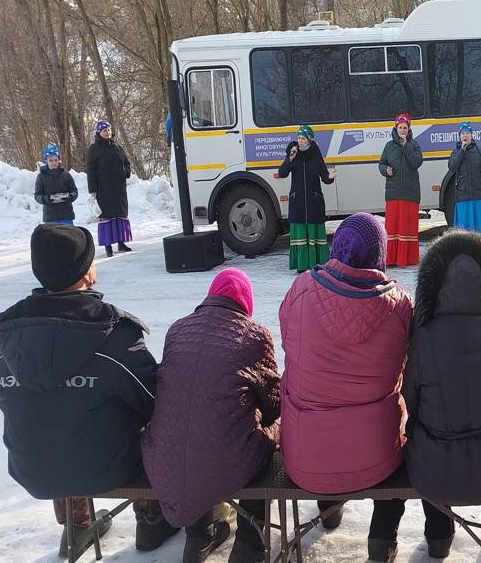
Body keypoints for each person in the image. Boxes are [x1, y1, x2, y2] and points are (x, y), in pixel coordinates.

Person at [0, 224, 179, 560]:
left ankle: (76, 523)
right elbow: (155, 401)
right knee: (153, 423)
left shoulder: (8, 335)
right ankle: (151, 516)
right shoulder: (115, 334)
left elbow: (2, 394)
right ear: (86, 273)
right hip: (106, 469)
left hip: (31, 468)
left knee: (51, 415)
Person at [278, 213, 413, 562]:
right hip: (377, 456)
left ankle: (328, 506)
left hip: (305, 457)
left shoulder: (301, 289)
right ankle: (382, 539)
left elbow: (288, 342)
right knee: (403, 439)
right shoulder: (400, 304)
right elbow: (407, 366)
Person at [142, 268, 281, 563]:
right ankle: (249, 543)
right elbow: (274, 406)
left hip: (163, 458)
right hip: (227, 462)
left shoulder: (177, 329)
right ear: (246, 302)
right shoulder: (253, 335)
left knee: (194, 426)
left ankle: (200, 535)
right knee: (266, 437)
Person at [403, 230, 481, 560]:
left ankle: (439, 535)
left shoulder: (422, 338)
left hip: (434, 475)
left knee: (426, 434)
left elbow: (410, 402)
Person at [273, 125, 337, 272]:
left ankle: (317, 263)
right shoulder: (293, 154)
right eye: (299, 138)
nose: (300, 141)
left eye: (303, 138)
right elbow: (282, 172)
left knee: (314, 232)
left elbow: (324, 177)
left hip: (314, 201)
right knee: (301, 233)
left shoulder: (316, 154)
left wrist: (330, 177)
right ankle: (301, 265)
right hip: (298, 202)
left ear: (309, 139)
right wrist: (290, 158)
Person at [379, 112, 423, 267]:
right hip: (393, 193)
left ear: (409, 129)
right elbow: (381, 164)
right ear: (395, 128)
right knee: (393, 227)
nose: (403, 130)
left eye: (405, 127)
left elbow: (417, 162)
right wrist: (386, 170)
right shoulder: (388, 146)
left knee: (407, 227)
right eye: (400, 127)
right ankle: (391, 258)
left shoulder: (414, 145)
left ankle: (407, 259)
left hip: (410, 194)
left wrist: (406, 147)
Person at [86, 119, 133, 257]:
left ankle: (121, 242)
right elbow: (91, 170)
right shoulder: (94, 149)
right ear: (99, 133)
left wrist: (126, 172)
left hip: (119, 188)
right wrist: (93, 190)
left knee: (120, 214)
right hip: (103, 188)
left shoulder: (117, 147)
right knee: (107, 216)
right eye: (104, 130)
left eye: (108, 130)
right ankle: (108, 246)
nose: (107, 132)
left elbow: (126, 162)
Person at [34, 143, 78, 226]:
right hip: (50, 217)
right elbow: (37, 195)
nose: (53, 163)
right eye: (50, 160)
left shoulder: (66, 175)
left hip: (66, 215)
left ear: (59, 160)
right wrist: (47, 199)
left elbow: (74, 191)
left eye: (55, 160)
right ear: (46, 161)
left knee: (68, 238)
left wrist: (69, 197)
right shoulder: (41, 177)